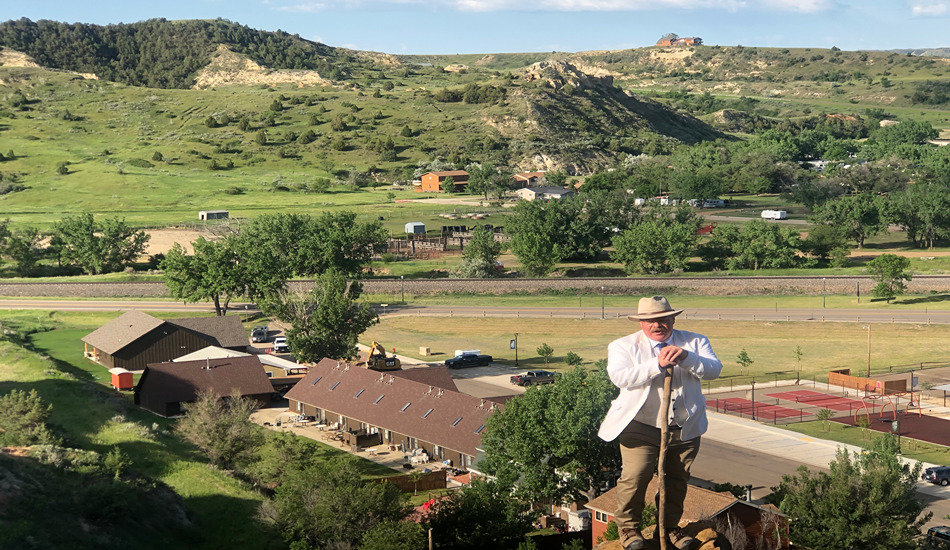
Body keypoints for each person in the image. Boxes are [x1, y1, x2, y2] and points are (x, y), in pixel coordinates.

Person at [598, 296, 723, 550]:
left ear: (673, 319)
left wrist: (687, 358)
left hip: (684, 428)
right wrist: (656, 364)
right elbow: (620, 377)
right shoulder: (622, 346)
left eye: (663, 319)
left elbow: (713, 369)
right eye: (650, 320)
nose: (657, 324)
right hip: (639, 427)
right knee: (636, 476)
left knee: (676, 480)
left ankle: (669, 528)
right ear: (641, 323)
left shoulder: (695, 341)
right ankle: (629, 529)